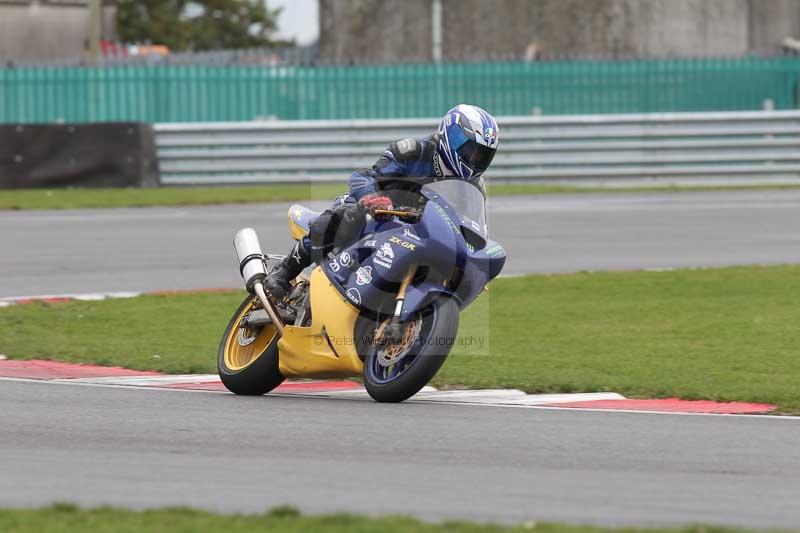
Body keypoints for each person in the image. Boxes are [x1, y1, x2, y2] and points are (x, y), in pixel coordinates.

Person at [264, 103, 500, 297]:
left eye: (482, 155)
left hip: (418, 232)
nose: (475, 159)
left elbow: (473, 228)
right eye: (470, 150)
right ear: (451, 135)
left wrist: (475, 265)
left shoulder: (475, 186)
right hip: (379, 212)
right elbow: (363, 177)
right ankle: (284, 271)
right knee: (346, 215)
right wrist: (372, 197)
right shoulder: (413, 151)